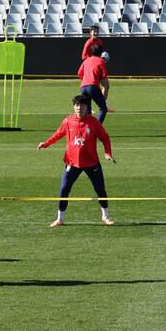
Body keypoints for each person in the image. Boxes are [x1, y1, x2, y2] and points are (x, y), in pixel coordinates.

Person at [37, 94, 116, 227]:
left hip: (92, 162)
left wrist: (107, 153)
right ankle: (60, 219)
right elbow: (58, 134)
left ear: (87, 107)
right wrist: (46, 143)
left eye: (82, 105)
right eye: (77, 105)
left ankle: (105, 215)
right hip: (72, 162)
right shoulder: (68, 121)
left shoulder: (94, 122)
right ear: (74, 107)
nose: (79, 108)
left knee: (100, 189)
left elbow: (105, 138)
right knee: (64, 189)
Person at [78, 44, 109, 124]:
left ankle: (87, 130)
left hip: (83, 87)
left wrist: (85, 80)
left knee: (87, 110)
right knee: (103, 108)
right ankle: (96, 128)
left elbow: (79, 73)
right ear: (101, 53)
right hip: (93, 87)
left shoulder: (86, 60)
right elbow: (103, 77)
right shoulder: (101, 61)